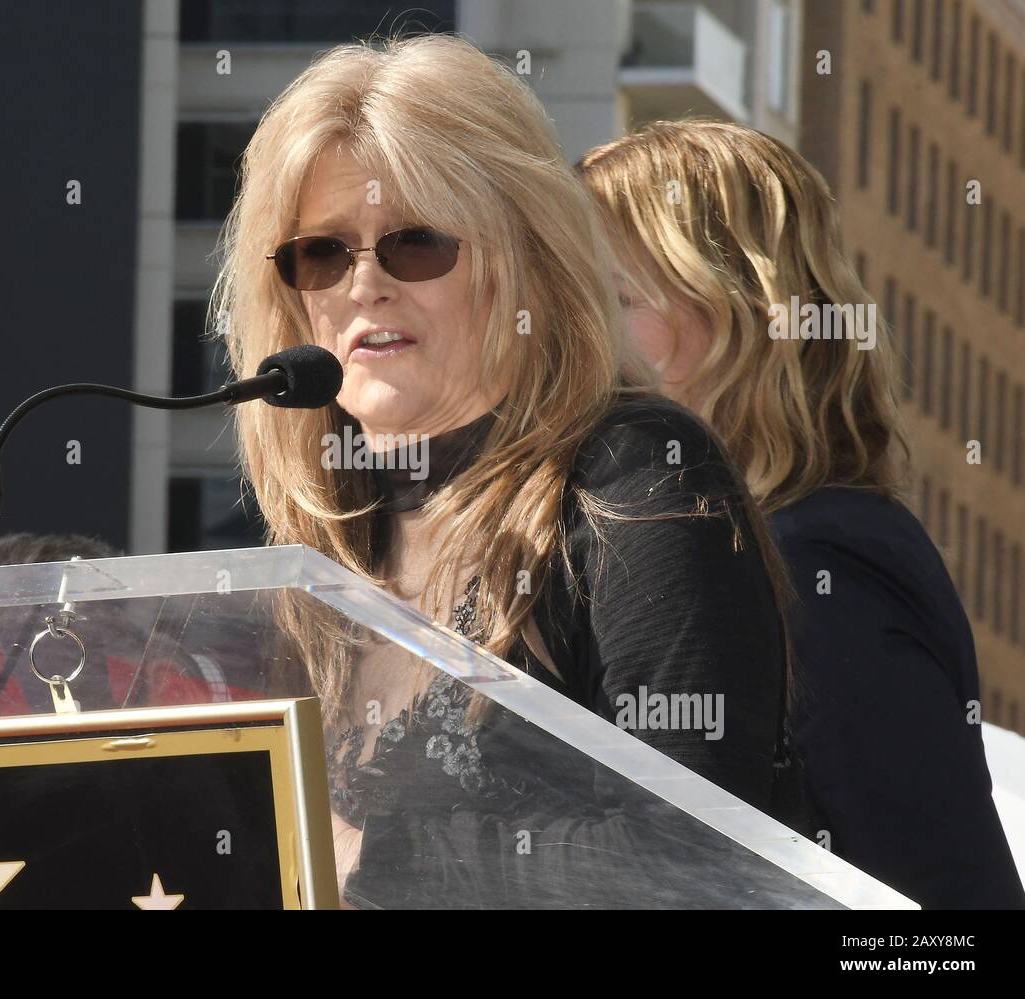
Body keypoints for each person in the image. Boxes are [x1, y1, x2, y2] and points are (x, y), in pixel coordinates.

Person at [213, 35, 804, 907]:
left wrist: (374, 860)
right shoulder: (314, 558)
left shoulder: (634, 483)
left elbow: (702, 858)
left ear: (522, 260)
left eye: (415, 243)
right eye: (324, 253)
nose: (364, 284)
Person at [578, 120, 1025, 909]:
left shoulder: (818, 565)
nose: (575, 341)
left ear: (744, 316)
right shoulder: (757, 546)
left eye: (614, 298)